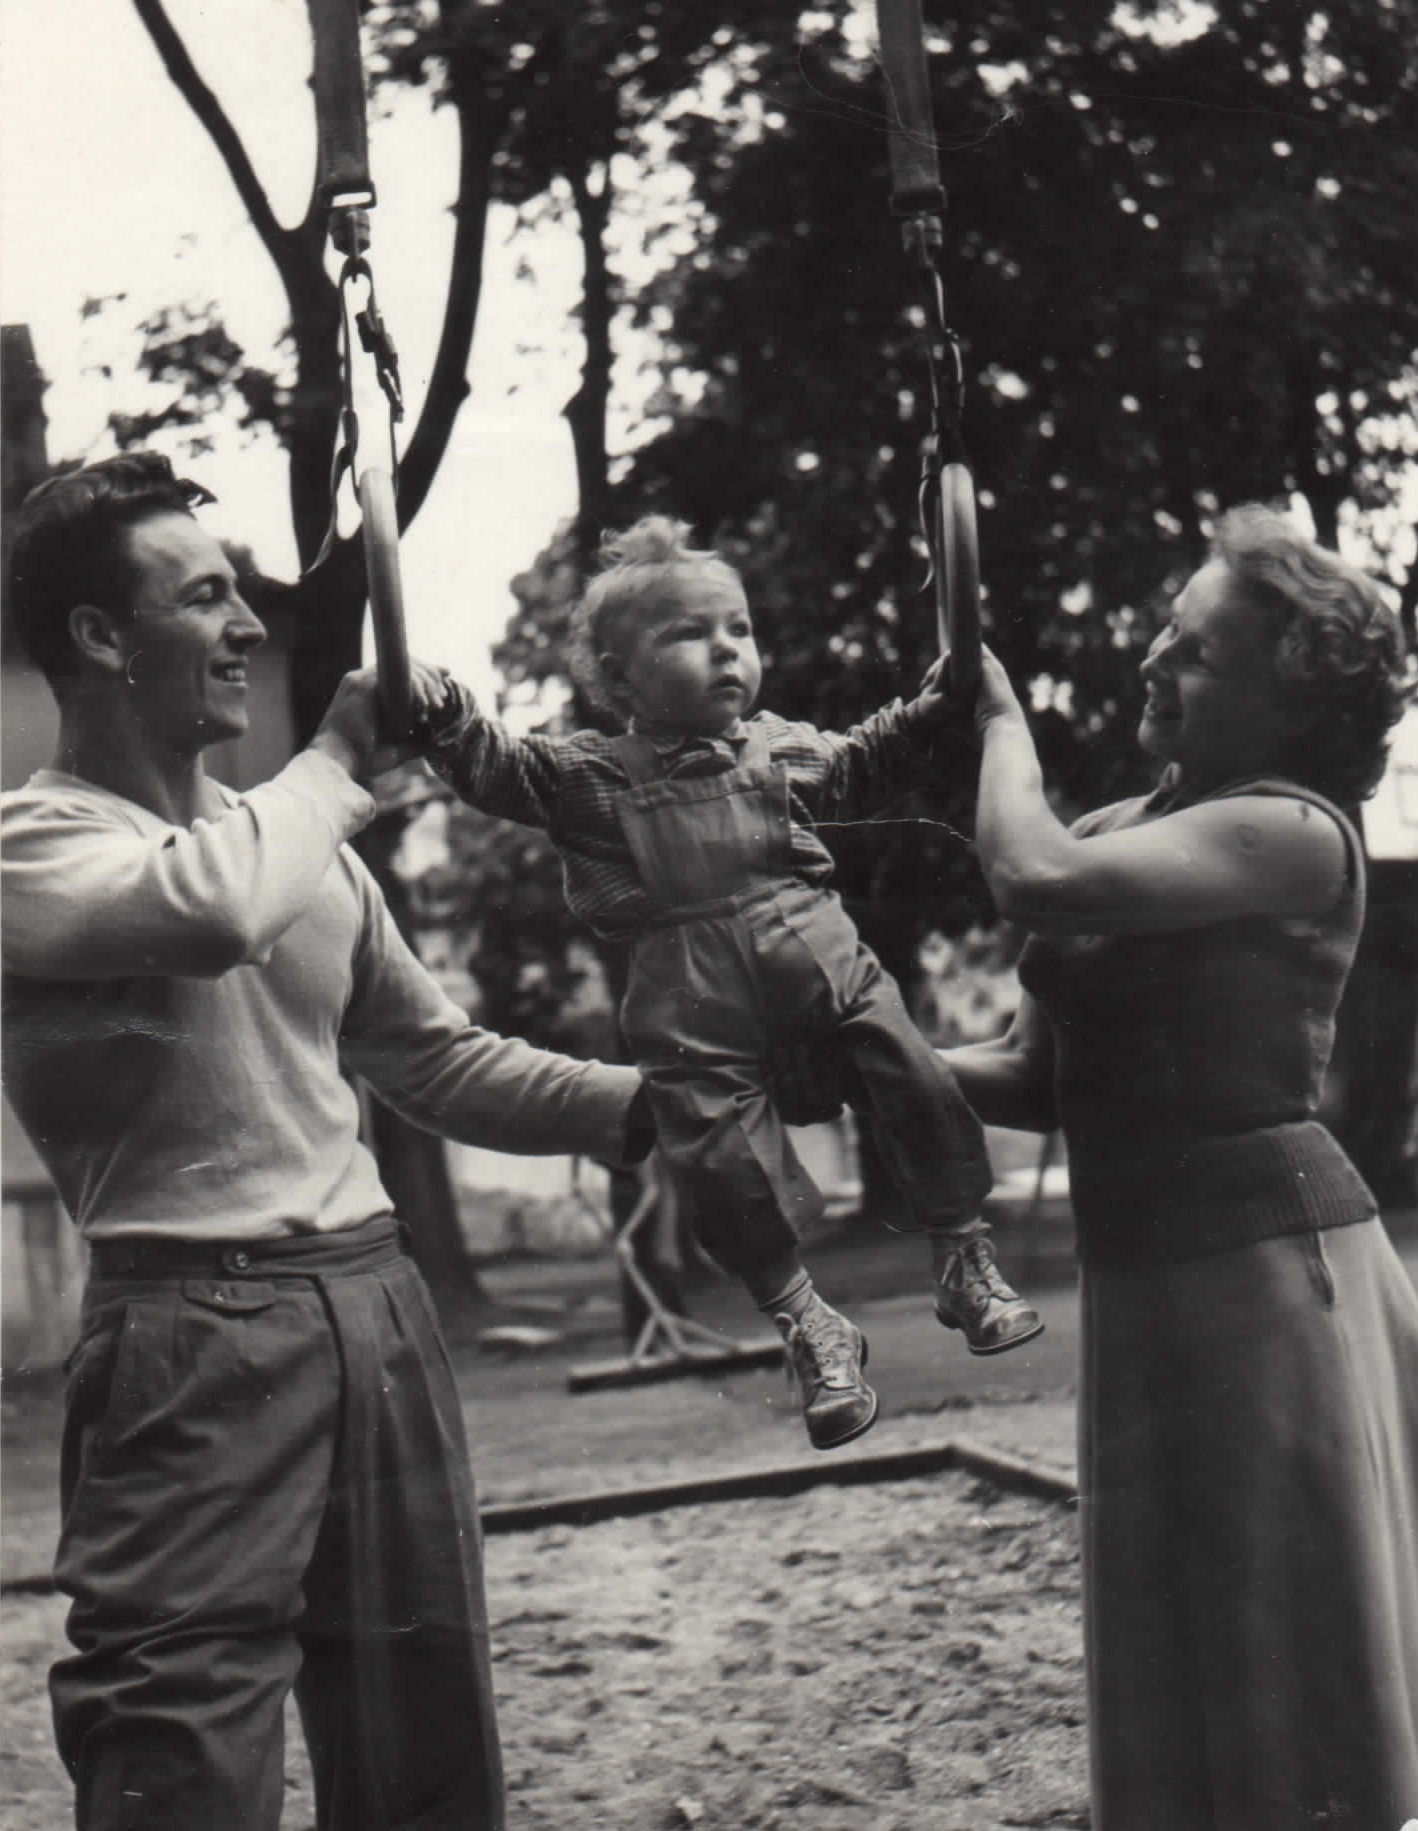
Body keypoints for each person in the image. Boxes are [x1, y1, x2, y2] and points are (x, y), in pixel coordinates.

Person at [1, 452, 654, 1831]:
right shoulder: (33, 847)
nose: (247, 625)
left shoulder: (294, 844)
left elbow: (436, 1058)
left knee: (426, 1735)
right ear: (100, 636)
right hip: (189, 1333)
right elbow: (210, 914)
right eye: (205, 596)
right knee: (175, 1747)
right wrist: (341, 755)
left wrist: (651, 1106)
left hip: (377, 1302)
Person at [942, 504, 1418, 1828]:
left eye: (1197, 651)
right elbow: (1030, 1074)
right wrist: (871, 1059)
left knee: (1279, 1633)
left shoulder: (1294, 831)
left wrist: (996, 722)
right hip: (1146, 1274)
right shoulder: (1124, 824)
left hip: (1266, 1281)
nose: (1154, 655)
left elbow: (1027, 871)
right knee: (1187, 1632)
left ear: (1289, 706)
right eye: (1168, 625)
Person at [416, 515, 1042, 1454]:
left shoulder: (781, 751)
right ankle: (811, 1327)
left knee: (914, 1071)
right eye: (689, 634)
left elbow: (868, 757)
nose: (726, 650)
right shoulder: (592, 776)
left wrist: (937, 705)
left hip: (820, 961)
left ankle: (962, 1256)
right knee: (715, 1156)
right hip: (689, 994)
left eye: (739, 629)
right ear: (620, 678)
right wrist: (439, 712)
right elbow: (502, 767)